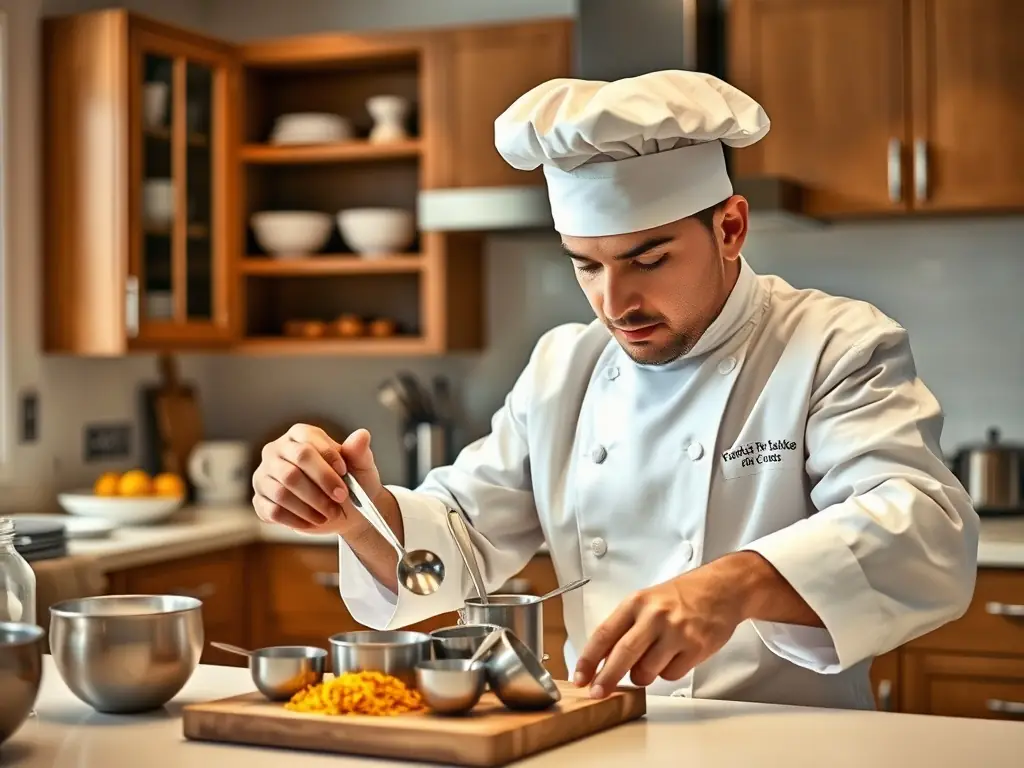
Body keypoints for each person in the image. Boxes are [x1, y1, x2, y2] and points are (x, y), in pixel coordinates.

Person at [252, 70, 979, 709]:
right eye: (586, 267)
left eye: (649, 259)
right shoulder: (563, 368)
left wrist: (735, 584)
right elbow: (457, 552)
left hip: (790, 744)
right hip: (603, 732)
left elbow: (923, 530)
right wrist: (356, 514)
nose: (614, 303)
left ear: (731, 227)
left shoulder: (833, 345)